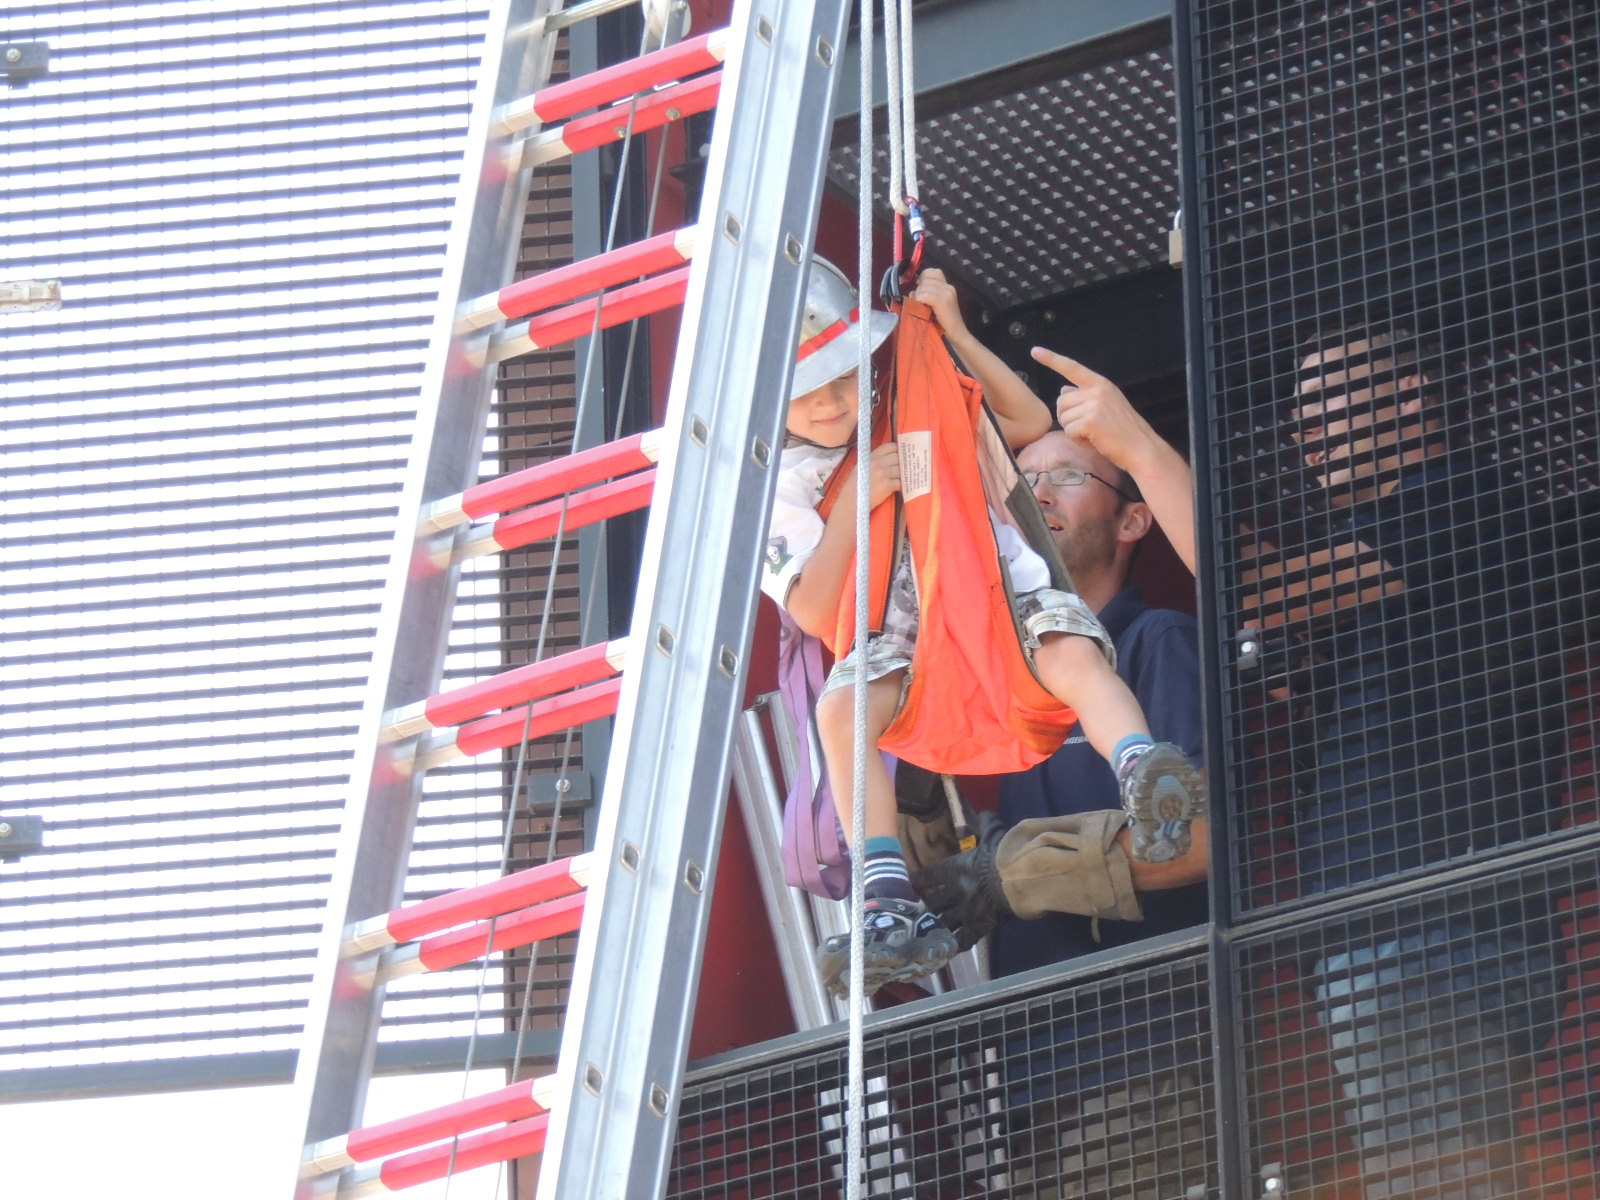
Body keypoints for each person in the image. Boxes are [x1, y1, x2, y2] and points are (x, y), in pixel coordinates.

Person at [936, 322, 1571, 1195]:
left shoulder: (1463, 495)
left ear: (1410, 395)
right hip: (1390, 939)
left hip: (1435, 931)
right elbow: (1266, 606)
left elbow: (1254, 592)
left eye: (1328, 399)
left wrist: (1138, 443)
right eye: (1298, 411)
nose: (1306, 429)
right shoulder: (1373, 567)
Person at [760, 256, 1207, 998]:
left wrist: (957, 336)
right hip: (901, 634)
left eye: (844, 377)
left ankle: (1142, 768)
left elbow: (1027, 425)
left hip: (993, 591)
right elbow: (811, 609)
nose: (833, 401)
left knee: (1074, 659)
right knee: (842, 711)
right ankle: (882, 887)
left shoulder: (912, 402)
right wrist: (853, 503)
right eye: (806, 392)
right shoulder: (782, 488)